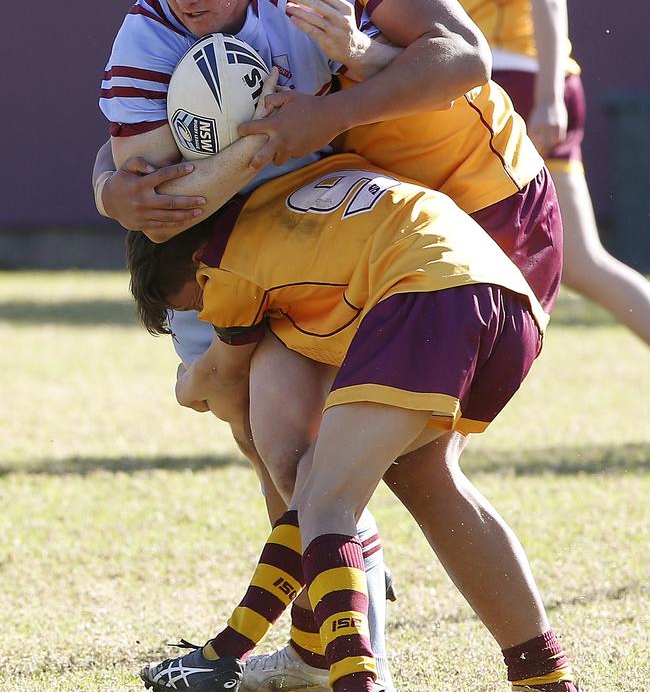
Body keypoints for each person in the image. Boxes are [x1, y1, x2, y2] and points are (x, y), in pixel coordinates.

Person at [96, 0, 567, 692]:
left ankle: (387, 666)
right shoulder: (173, 10)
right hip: (367, 231)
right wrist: (109, 182)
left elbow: (464, 58)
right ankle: (333, 652)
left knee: (406, 469)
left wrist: (332, 95)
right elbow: (149, 138)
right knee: (276, 430)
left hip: (482, 210)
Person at [127, 151, 578, 692]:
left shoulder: (225, 263)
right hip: (510, 307)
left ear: (197, 258)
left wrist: (186, 384)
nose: (207, 307)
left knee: (324, 502)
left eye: (196, 300)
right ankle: (544, 677)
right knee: (402, 478)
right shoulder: (304, 181)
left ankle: (351, 679)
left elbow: (220, 380)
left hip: (428, 299)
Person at [410, 0, 650, 345]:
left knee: (441, 242)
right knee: (583, 263)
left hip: (516, 81)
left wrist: (545, 98)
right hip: (514, 81)